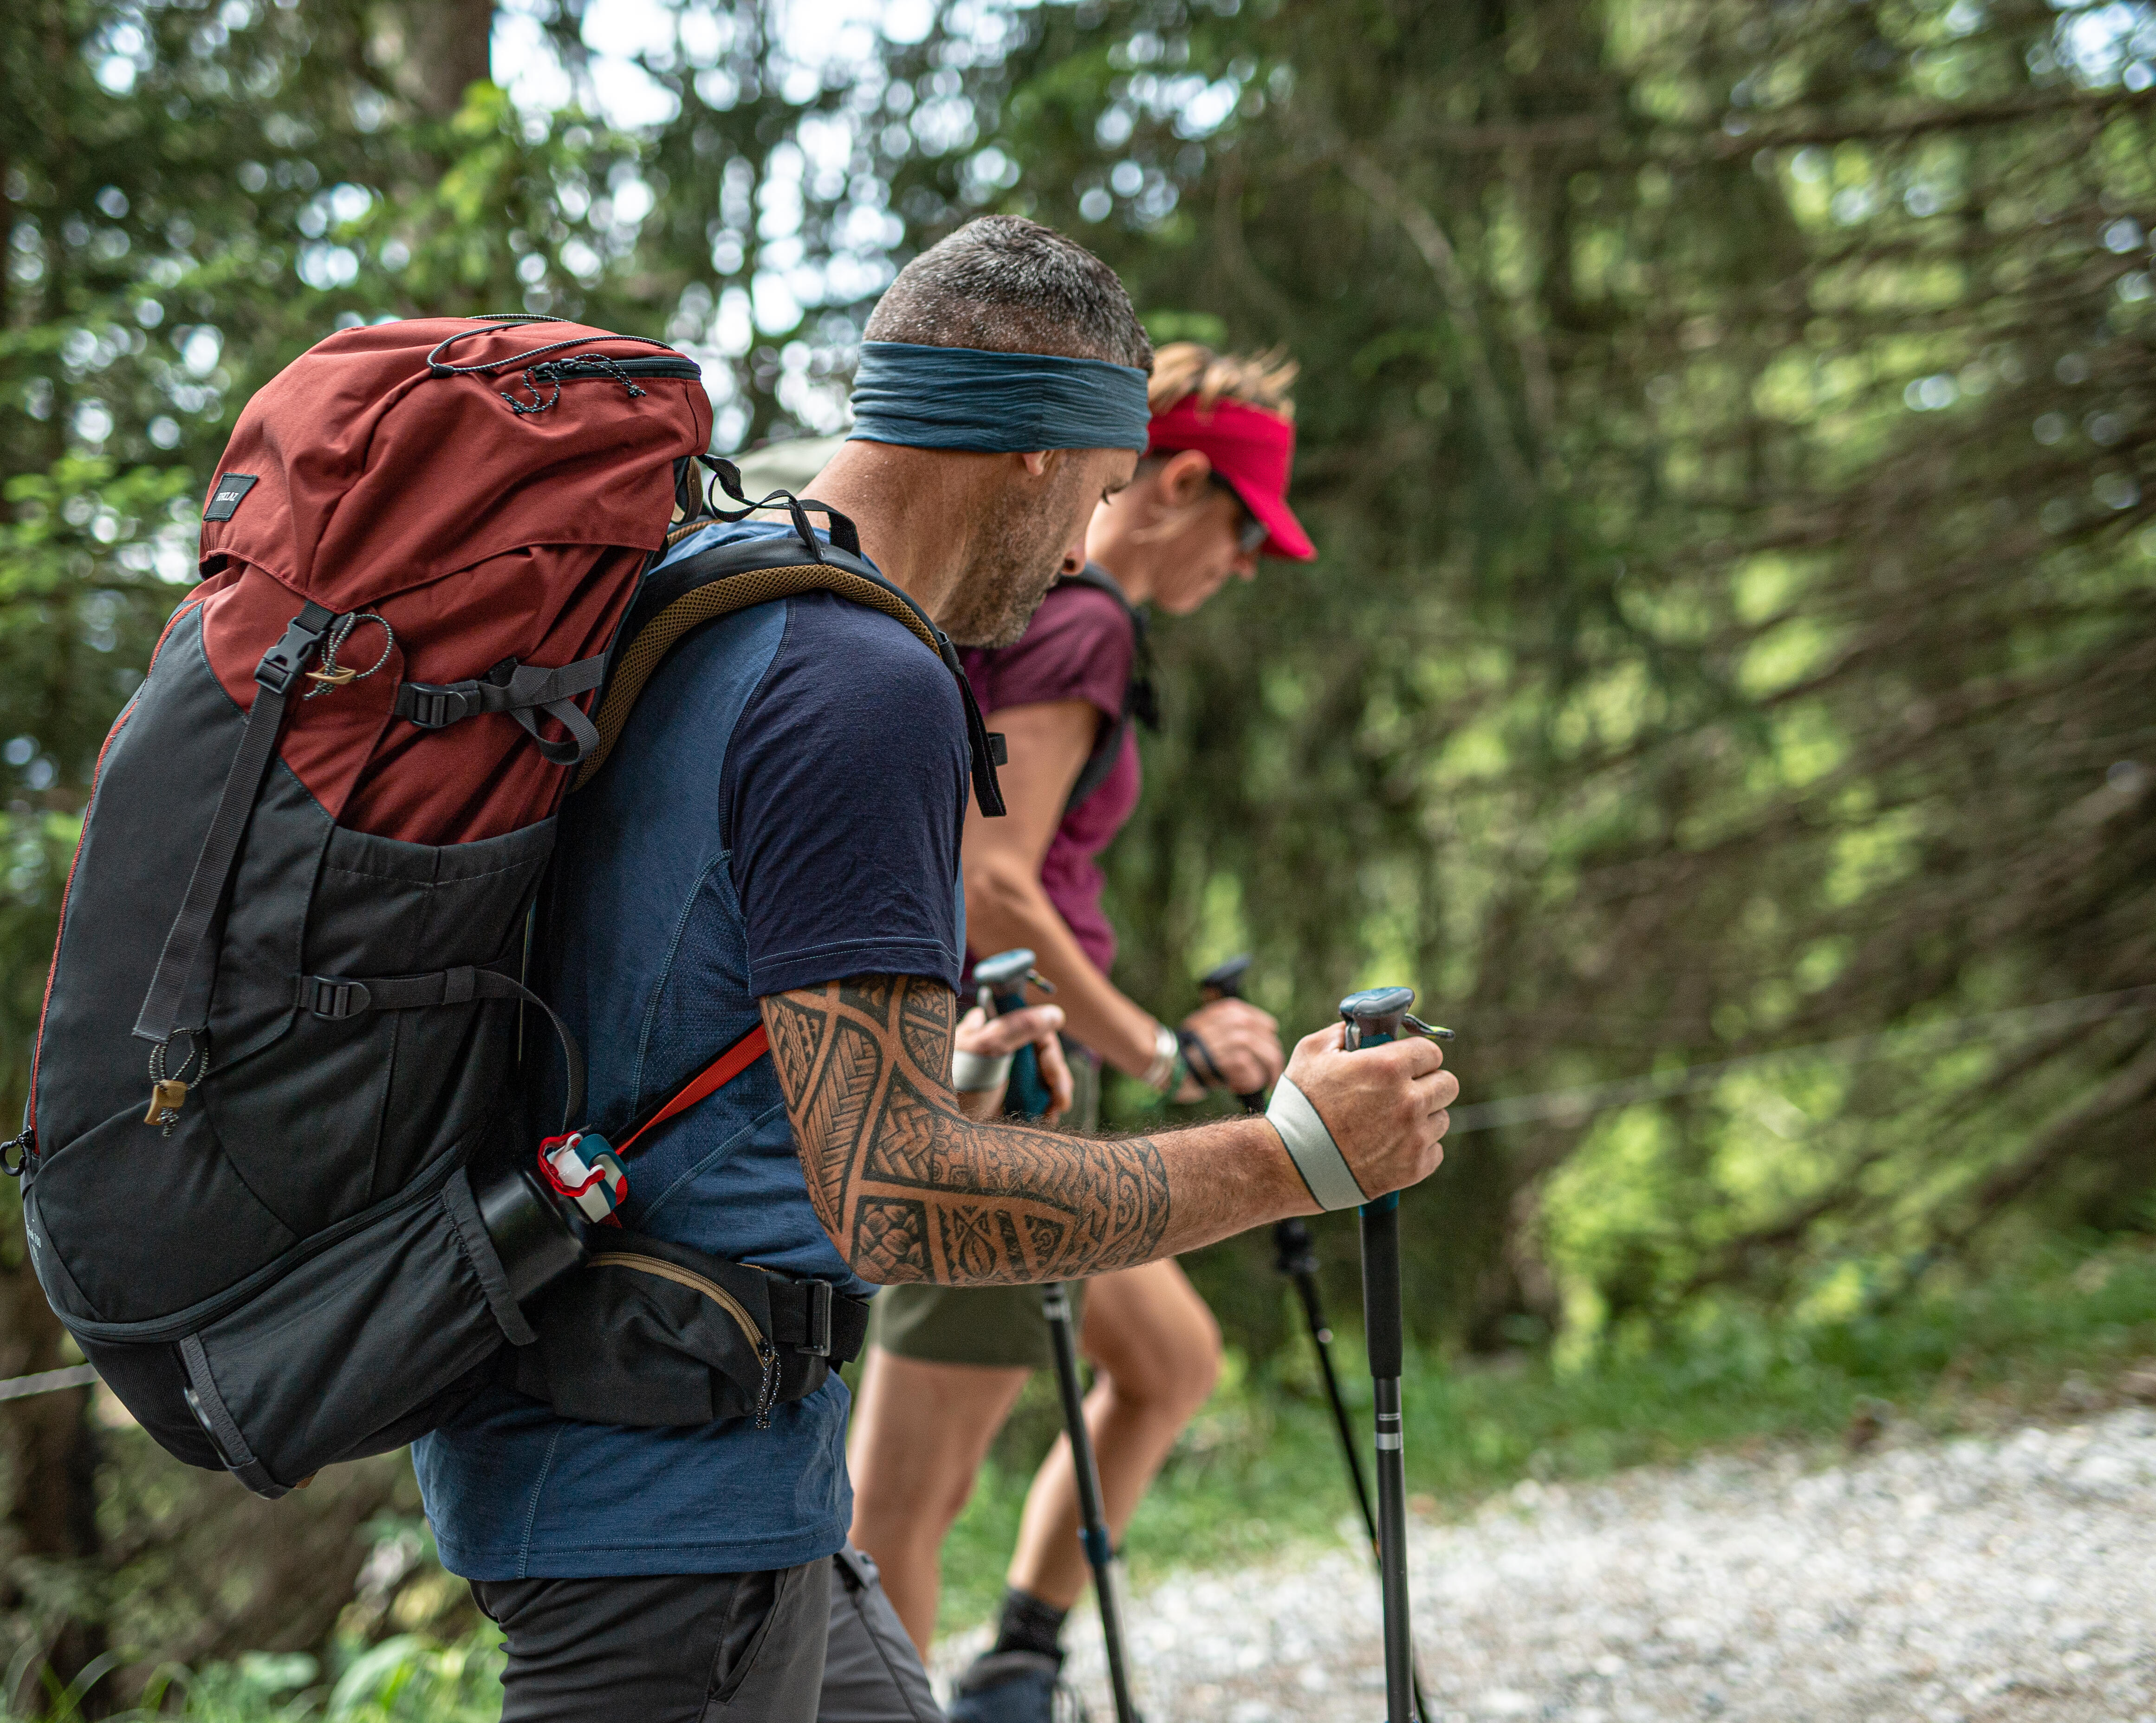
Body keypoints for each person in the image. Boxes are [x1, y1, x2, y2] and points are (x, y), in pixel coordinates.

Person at [411, 216, 1458, 1723]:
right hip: (663, 1513)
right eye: (1098, 494)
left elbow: (668, 982)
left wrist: (933, 1065)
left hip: (689, 1463)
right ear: (1036, 452)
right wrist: (1297, 1158)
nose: (1085, 553)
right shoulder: (864, 682)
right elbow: (893, 1195)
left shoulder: (713, 586)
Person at [838, 344, 1322, 1719]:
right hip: (1008, 1077)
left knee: (1171, 1362)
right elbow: (993, 876)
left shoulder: (1047, 610)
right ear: (1177, 484)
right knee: (900, 1508)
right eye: (1244, 534)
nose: (1242, 569)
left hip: (1026, 1059)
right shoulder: (1088, 619)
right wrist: (1156, 1053)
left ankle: (1019, 1666)